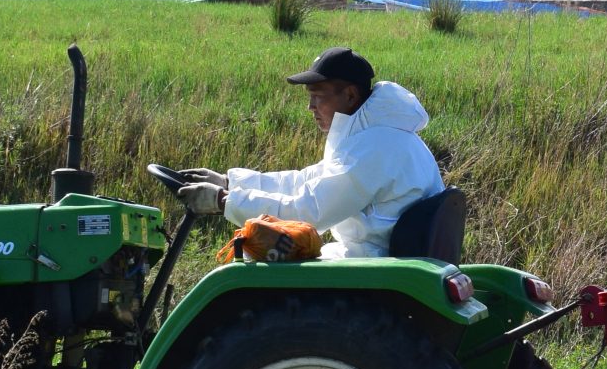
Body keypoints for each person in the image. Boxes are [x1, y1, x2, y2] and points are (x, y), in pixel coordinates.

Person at [180, 46, 445, 258]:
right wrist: (230, 182)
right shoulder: (376, 135)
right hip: (375, 256)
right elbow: (305, 181)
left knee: (258, 276)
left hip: (375, 262)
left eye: (318, 96)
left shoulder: (376, 147)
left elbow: (309, 212)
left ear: (351, 96)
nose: (310, 107)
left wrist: (224, 201)